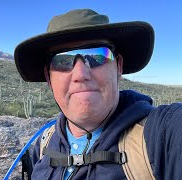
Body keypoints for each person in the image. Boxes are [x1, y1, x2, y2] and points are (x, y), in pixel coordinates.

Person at [14, 9, 182, 180]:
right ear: (48, 77)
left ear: (118, 67)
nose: (80, 74)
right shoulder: (45, 144)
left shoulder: (161, 135)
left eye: (97, 56)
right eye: (62, 60)